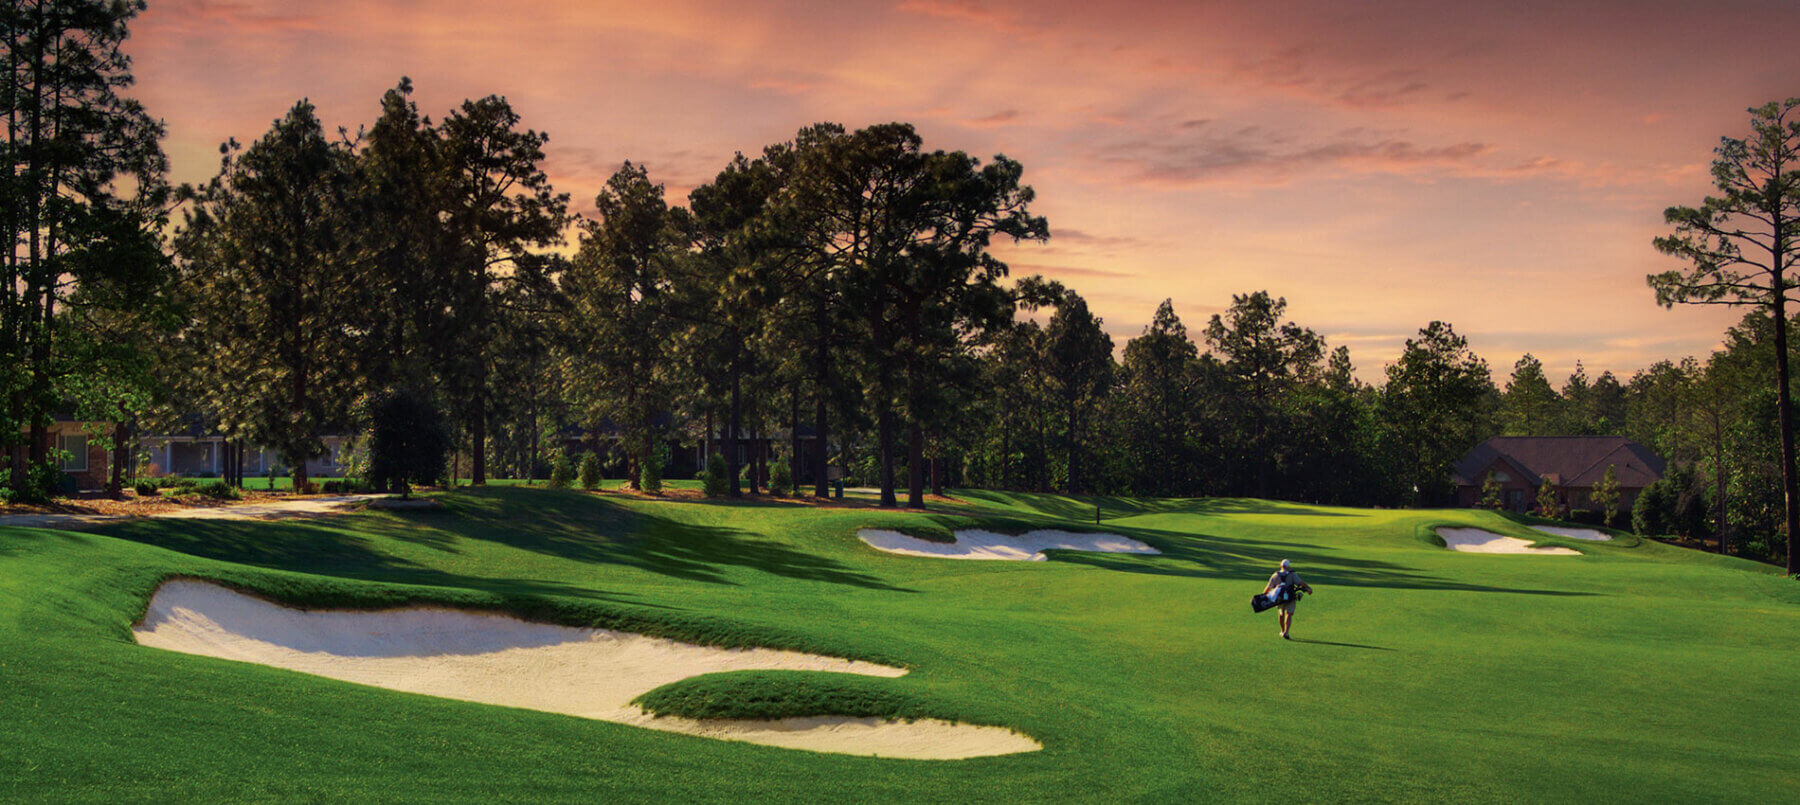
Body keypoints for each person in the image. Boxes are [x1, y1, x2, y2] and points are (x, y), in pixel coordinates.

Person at [1262, 559, 1314, 640]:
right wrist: (1308, 588)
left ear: (1281, 566)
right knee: (1289, 614)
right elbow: (1300, 583)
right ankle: (1286, 632)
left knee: (1281, 614)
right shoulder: (1292, 574)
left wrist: (1263, 596)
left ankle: (1282, 631)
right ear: (1288, 566)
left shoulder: (1275, 575)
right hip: (1290, 597)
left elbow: (1268, 587)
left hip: (1279, 598)